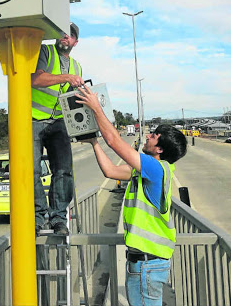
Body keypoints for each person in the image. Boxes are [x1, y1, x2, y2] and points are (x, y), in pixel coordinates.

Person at [75, 85, 187, 306]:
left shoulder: (156, 169)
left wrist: (97, 108)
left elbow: (115, 142)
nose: (148, 136)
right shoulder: (147, 172)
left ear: (160, 149)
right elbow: (111, 171)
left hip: (147, 264)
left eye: (154, 136)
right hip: (144, 263)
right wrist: (94, 143)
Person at [31, 22, 84, 236]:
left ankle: (58, 219)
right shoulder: (45, 51)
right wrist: (66, 78)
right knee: (31, 170)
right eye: (62, 32)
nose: (65, 36)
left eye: (70, 34)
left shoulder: (77, 66)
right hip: (33, 119)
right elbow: (35, 79)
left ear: (75, 42)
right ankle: (36, 217)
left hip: (60, 122)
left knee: (63, 171)